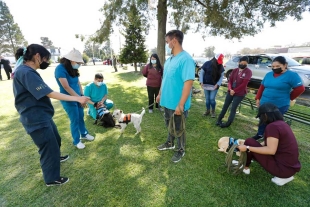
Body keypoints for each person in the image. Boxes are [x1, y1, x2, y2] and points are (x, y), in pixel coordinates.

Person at [13, 44, 90, 186]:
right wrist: (78, 98)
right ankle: (51, 178)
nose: (46, 63)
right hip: (35, 118)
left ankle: (56, 156)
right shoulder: (26, 72)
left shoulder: (27, 71)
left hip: (42, 115)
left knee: (55, 138)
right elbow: (49, 92)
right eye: (46, 59)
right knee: (48, 147)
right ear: (37, 57)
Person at [237, 103, 301, 186]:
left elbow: (271, 150)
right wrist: (255, 146)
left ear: (265, 116)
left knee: (249, 141)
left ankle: (245, 167)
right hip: (290, 169)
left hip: (282, 170)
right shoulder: (283, 124)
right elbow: (272, 142)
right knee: (251, 144)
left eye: (261, 117)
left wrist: (247, 147)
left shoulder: (272, 127)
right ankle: (244, 163)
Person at [156, 30, 195, 163]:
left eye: (167, 42)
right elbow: (164, 78)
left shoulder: (186, 59)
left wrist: (181, 104)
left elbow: (188, 83)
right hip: (167, 101)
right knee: (169, 124)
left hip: (178, 103)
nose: (167, 44)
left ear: (174, 41)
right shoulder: (169, 60)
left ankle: (180, 149)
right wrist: (160, 93)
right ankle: (170, 143)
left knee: (179, 128)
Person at [252, 56, 305, 140]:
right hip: (265, 103)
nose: (275, 68)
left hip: (280, 104)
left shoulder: (291, 75)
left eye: (277, 66)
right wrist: (258, 98)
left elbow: (300, 89)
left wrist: (290, 97)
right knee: (263, 120)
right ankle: (260, 134)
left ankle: (270, 138)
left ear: (285, 65)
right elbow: (262, 87)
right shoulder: (268, 74)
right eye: (273, 66)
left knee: (274, 123)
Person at [55, 49, 94, 149]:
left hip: (78, 97)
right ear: (70, 60)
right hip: (68, 98)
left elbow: (78, 83)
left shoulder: (73, 68)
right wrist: (78, 98)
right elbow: (66, 87)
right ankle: (76, 141)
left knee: (81, 116)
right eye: (78, 62)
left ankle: (84, 134)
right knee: (75, 119)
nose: (79, 64)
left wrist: (81, 96)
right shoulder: (60, 69)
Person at [217, 56, 252, 128]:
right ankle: (219, 119)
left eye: (245, 64)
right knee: (225, 105)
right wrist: (230, 89)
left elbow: (244, 84)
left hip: (240, 93)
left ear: (247, 64)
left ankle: (228, 123)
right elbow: (230, 81)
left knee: (233, 108)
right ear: (238, 62)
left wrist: (234, 91)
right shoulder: (235, 70)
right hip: (231, 91)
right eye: (241, 63)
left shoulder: (248, 72)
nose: (242, 65)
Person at [199, 53, 225, 118]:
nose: (219, 63)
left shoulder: (220, 66)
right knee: (207, 99)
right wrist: (201, 82)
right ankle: (208, 110)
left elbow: (222, 77)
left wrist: (218, 84)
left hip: (214, 86)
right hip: (206, 84)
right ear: (214, 59)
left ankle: (213, 111)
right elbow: (201, 73)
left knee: (212, 99)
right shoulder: (207, 64)